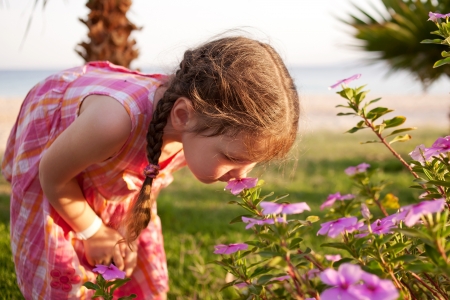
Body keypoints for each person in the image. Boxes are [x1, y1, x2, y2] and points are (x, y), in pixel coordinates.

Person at [1, 35, 300, 299]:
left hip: (105, 160)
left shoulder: (193, 128)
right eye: (234, 159)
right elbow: (51, 176)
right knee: (67, 273)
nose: (242, 175)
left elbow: (145, 178)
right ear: (183, 116)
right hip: (59, 166)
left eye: (253, 163)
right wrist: (94, 232)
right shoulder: (113, 124)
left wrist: (121, 231)